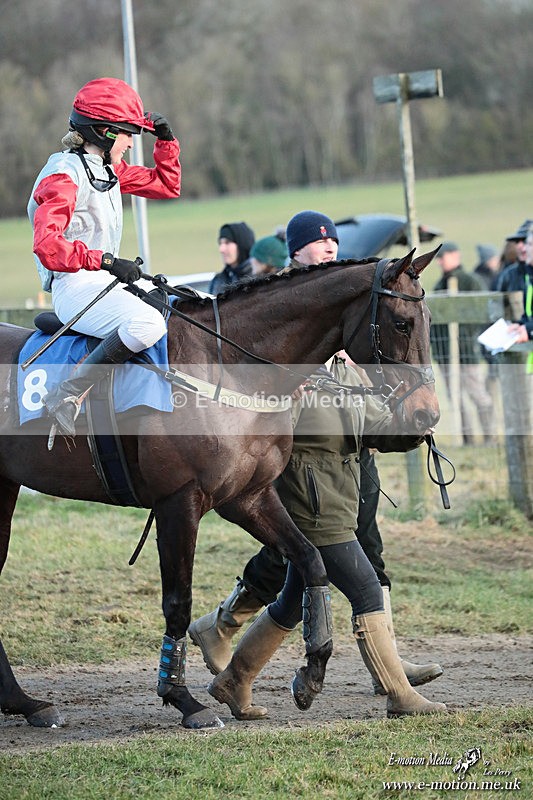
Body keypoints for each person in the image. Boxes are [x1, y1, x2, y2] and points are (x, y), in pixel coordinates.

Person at [189, 210, 446, 720]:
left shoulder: (348, 316)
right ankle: (397, 691)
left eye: (333, 244)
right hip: (308, 476)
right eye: (318, 244)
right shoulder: (280, 313)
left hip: (343, 468)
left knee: (294, 591)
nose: (329, 249)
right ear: (297, 251)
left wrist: (405, 419)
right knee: (358, 580)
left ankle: (234, 677)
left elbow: (358, 406)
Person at [27, 77, 181, 439]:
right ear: (103, 132)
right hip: (74, 286)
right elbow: (47, 246)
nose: (130, 142)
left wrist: (167, 141)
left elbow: (166, 184)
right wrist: (106, 261)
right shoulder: (63, 176)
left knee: (185, 302)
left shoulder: (108, 169)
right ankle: (66, 394)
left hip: (101, 279)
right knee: (149, 325)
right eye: (127, 133)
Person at [430, 241, 494, 444]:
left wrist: (465, 336)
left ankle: (489, 436)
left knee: (478, 395)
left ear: (456, 256)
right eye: (438, 258)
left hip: (466, 352)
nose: (440, 262)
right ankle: (468, 439)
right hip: (445, 355)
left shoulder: (470, 282)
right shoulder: (439, 286)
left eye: (444, 257)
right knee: (456, 399)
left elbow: (481, 314)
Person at [208, 222, 255, 294]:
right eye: (220, 243)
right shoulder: (218, 281)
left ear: (242, 244)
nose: (221, 249)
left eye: (227, 243)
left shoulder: (258, 279)